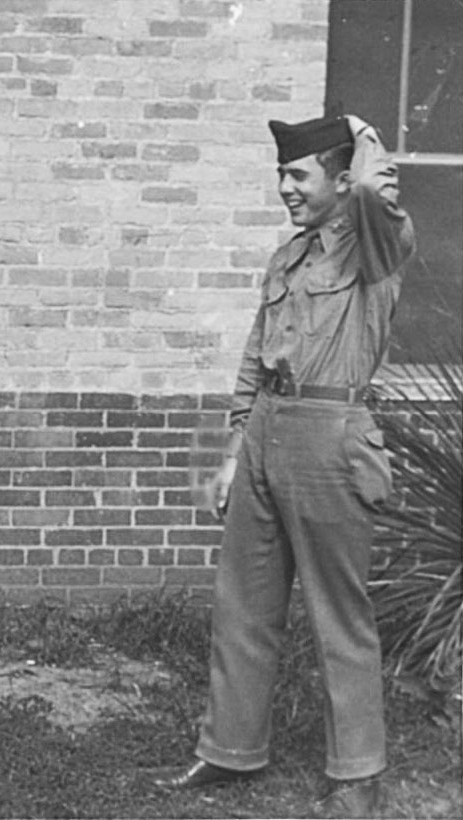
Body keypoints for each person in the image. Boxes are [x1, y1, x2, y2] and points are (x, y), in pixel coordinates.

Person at [158, 114, 415, 817]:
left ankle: (357, 773)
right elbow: (253, 359)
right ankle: (229, 750)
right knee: (243, 602)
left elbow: (374, 188)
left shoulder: (376, 244)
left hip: (332, 436)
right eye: (280, 174)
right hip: (269, 429)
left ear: (340, 178)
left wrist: (361, 132)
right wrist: (233, 454)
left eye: (298, 175)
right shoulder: (288, 256)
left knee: (339, 612)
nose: (284, 189)